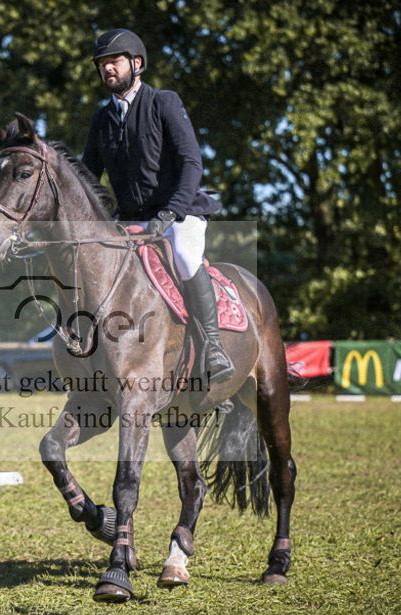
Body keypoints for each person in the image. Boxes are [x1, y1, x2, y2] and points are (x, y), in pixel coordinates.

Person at [82, 28, 233, 385]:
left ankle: (213, 346)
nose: (108, 70)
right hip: (132, 221)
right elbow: (89, 181)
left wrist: (171, 211)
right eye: (102, 65)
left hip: (180, 212)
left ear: (136, 63)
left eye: (114, 62)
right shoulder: (101, 121)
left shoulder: (163, 102)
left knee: (183, 253)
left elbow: (191, 162)